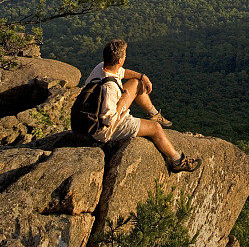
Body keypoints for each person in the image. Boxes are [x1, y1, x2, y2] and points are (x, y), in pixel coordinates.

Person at [85, 38, 201, 173]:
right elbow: (109, 121)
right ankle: (177, 161)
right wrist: (122, 104)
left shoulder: (102, 67)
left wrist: (142, 76)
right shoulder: (109, 88)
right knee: (156, 129)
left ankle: (154, 114)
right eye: (124, 55)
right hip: (105, 129)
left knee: (136, 83)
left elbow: (122, 72)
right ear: (120, 61)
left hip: (95, 112)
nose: (125, 57)